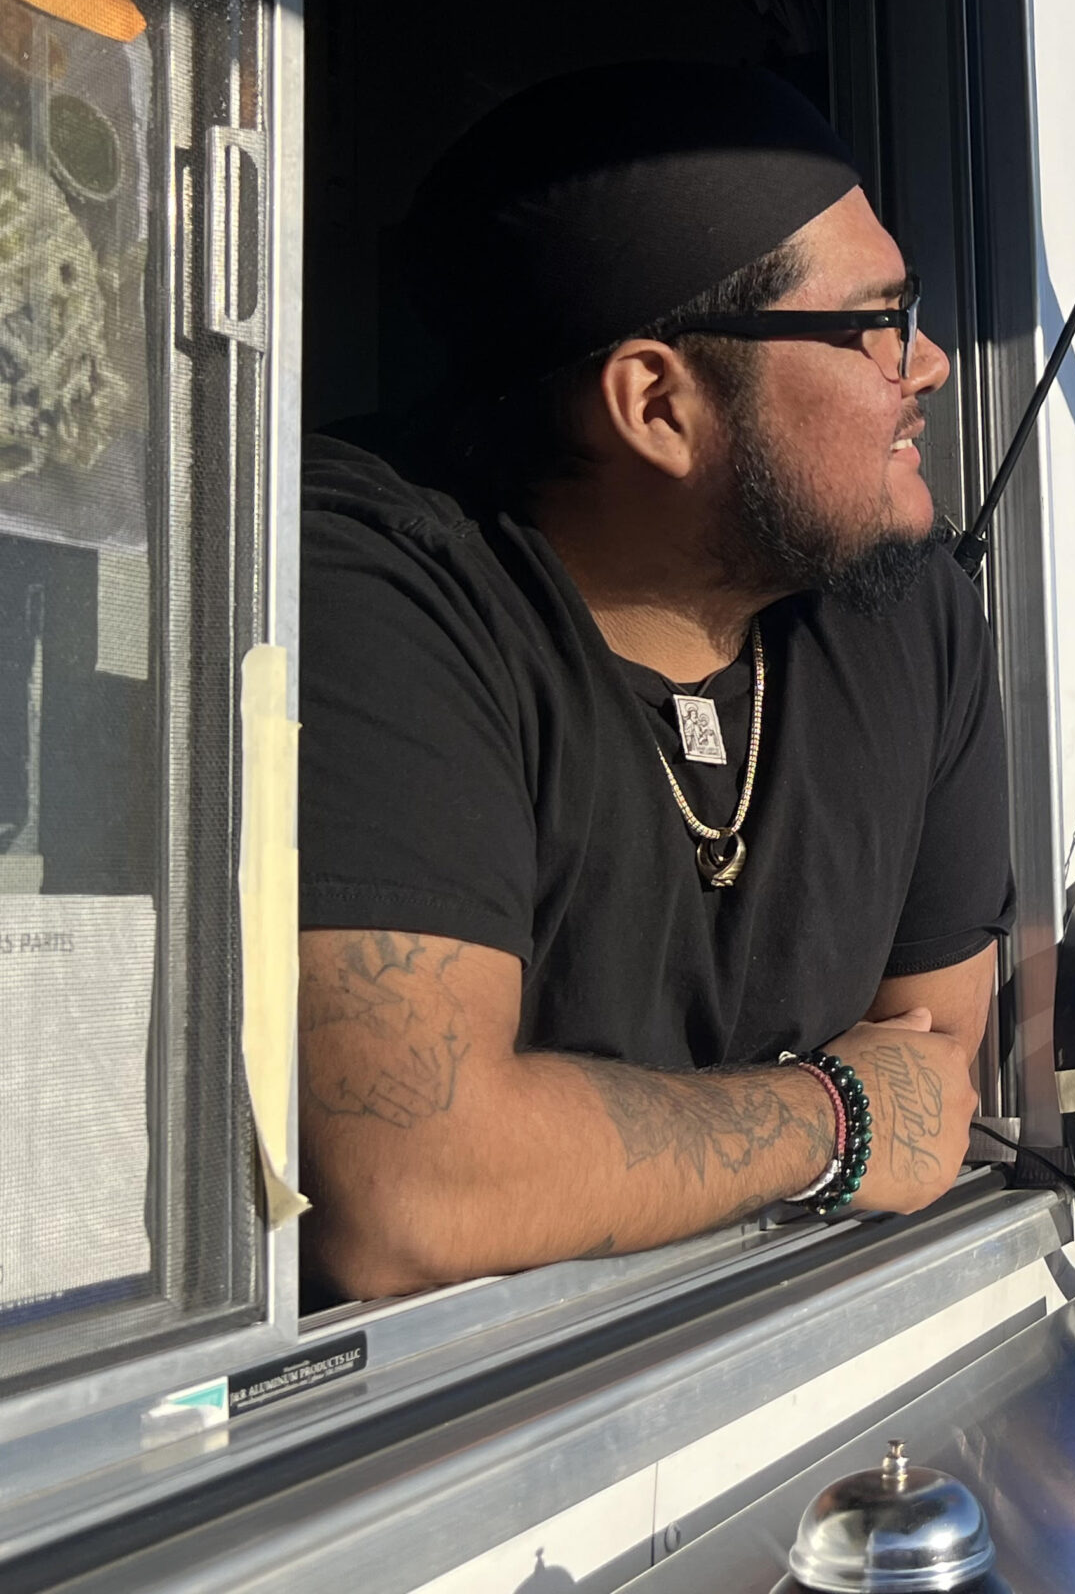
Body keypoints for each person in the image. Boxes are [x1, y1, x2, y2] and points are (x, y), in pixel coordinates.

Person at [297, 63, 1013, 1302]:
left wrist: (572, 1147)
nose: (932, 363)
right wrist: (833, 1118)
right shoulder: (369, 586)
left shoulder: (902, 605)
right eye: (876, 323)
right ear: (655, 405)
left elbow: (935, 1079)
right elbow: (416, 1190)